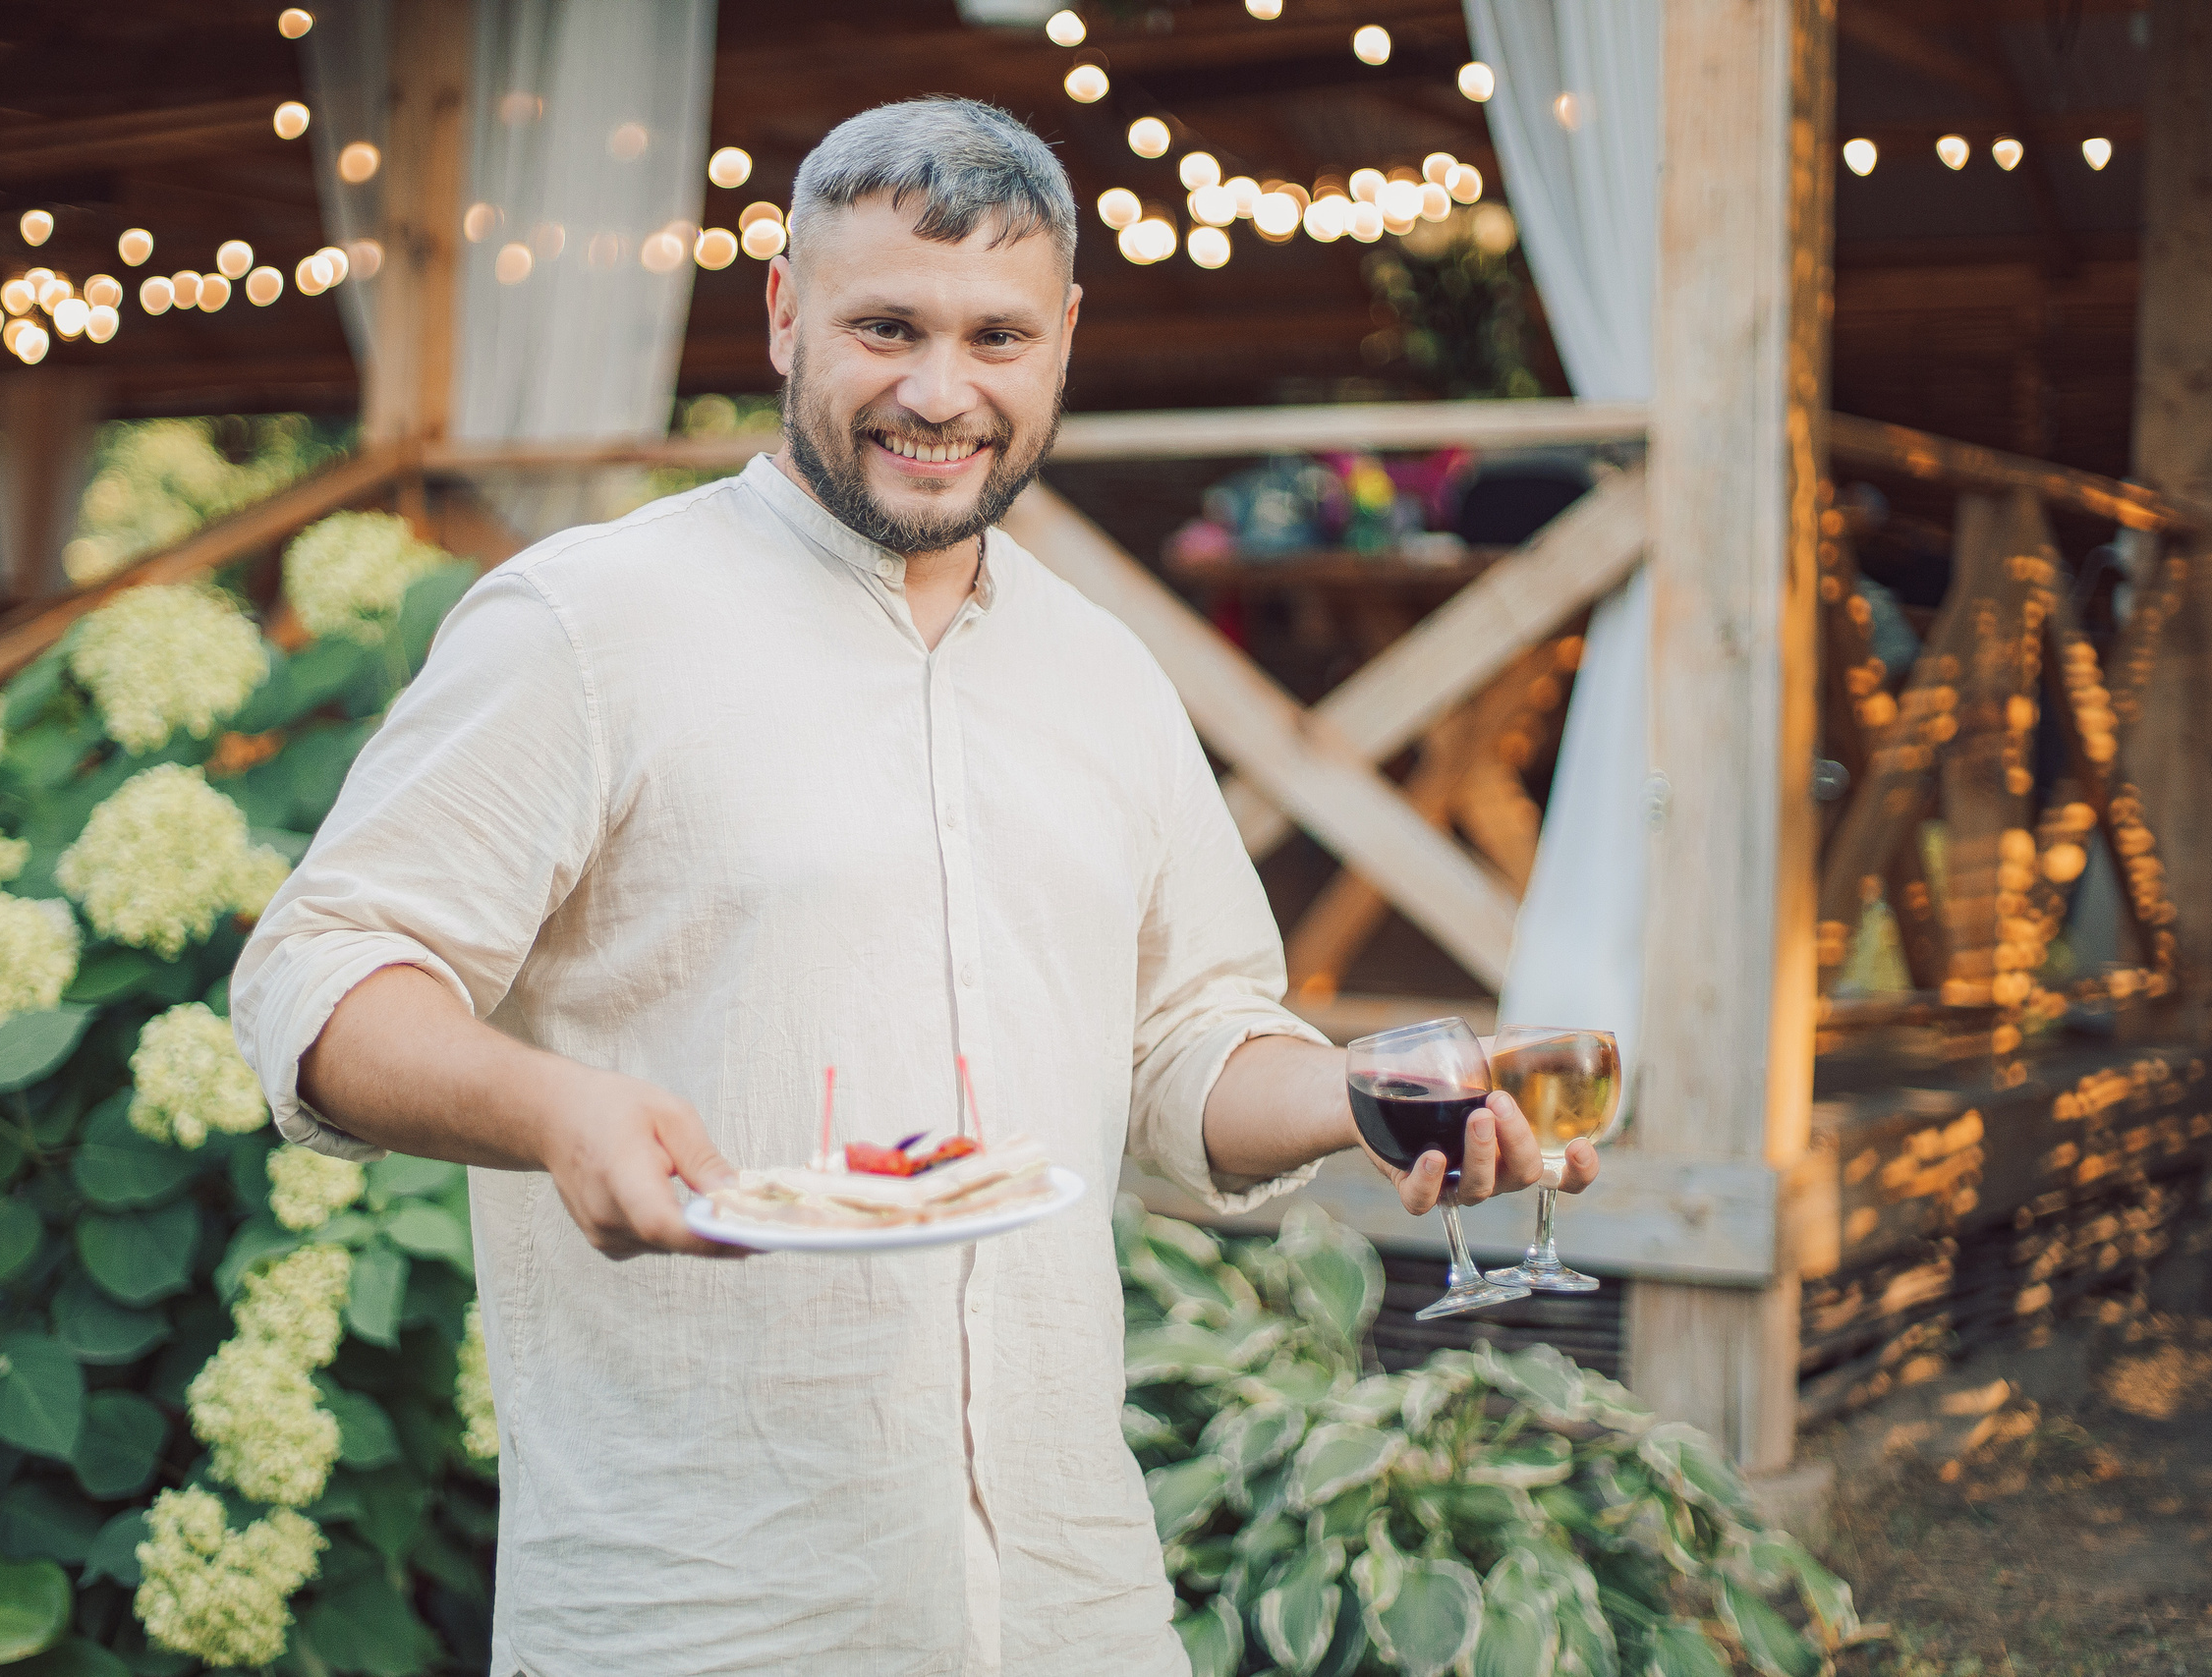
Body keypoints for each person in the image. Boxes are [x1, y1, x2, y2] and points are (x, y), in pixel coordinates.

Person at [234, 96, 1599, 1677]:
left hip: (1069, 1599)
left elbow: (1183, 1051)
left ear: (1067, 338)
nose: (942, 393)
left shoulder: (1106, 671)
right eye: (888, 326)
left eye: (998, 338)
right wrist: (557, 1113)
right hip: (703, 1607)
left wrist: (1357, 1095)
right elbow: (320, 972)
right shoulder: (584, 623)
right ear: (784, 311)